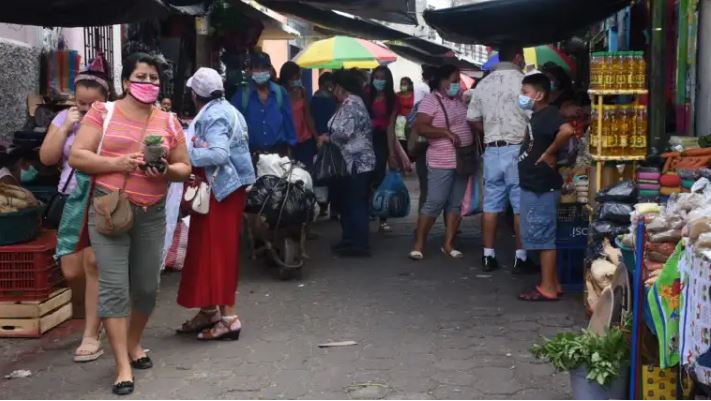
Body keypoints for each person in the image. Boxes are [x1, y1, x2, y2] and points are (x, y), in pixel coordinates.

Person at [69, 52, 191, 396]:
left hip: (151, 213)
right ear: (126, 82)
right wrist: (120, 162)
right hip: (110, 209)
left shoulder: (168, 121)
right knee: (113, 288)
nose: (148, 83)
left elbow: (186, 168)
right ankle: (122, 363)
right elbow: (78, 156)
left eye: (154, 78)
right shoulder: (102, 113)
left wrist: (166, 169)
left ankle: (134, 342)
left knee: (147, 288)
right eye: (141, 77)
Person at [39, 57, 111, 363]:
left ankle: (91, 333)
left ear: (104, 100)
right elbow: (46, 158)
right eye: (80, 102)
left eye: (90, 104)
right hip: (71, 198)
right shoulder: (64, 119)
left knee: (94, 263)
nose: (84, 108)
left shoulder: (112, 119)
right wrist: (67, 125)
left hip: (101, 195)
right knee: (71, 268)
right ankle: (94, 316)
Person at [176, 68, 256, 339]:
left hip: (222, 192)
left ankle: (229, 317)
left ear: (195, 94)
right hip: (223, 191)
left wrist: (183, 152)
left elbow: (219, 154)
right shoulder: (226, 109)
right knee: (204, 250)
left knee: (218, 253)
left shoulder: (214, 114)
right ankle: (209, 310)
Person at [467, 43, 536, 274]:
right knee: (519, 206)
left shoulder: (483, 83)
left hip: (492, 150)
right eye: (523, 57)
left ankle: (488, 256)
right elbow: (532, 115)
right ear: (517, 57)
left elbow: (472, 117)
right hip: (517, 149)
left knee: (491, 206)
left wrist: (487, 132)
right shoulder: (523, 84)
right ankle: (521, 257)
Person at [515, 74, 575, 301]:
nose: (522, 97)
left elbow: (568, 131)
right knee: (542, 236)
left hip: (541, 186)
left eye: (525, 92)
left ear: (539, 94)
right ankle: (553, 283)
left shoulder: (549, 114)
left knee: (544, 238)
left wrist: (549, 153)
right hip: (535, 184)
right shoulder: (537, 116)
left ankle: (547, 287)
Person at [409, 65, 473, 261]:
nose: (457, 85)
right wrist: (444, 133)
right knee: (435, 202)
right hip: (441, 160)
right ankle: (419, 244)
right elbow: (421, 127)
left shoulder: (460, 99)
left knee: (455, 204)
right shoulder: (430, 101)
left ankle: (448, 243)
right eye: (454, 81)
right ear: (442, 81)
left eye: (458, 81)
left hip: (462, 160)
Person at [319, 69, 375, 257]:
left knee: (355, 203)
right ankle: (350, 239)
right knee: (350, 203)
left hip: (357, 162)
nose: (331, 91)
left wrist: (328, 138)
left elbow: (345, 132)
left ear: (340, 87)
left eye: (332, 87)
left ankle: (358, 243)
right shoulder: (350, 103)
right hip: (352, 161)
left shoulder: (351, 104)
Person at [232, 52, 296, 156]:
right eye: (256, 68)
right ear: (250, 71)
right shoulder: (242, 95)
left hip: (278, 156)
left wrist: (291, 148)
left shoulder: (280, 93)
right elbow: (233, 126)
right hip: (252, 156)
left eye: (264, 68)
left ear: (270, 71)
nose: (260, 72)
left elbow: (289, 123)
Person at [367, 66, 399, 233]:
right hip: (365, 139)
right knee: (366, 177)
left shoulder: (392, 99)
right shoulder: (366, 95)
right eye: (376, 77)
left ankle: (382, 217)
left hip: (380, 141)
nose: (379, 80)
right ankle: (367, 210)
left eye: (382, 77)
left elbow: (390, 126)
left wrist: (391, 153)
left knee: (379, 177)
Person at [310, 72, 339, 219]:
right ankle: (328, 207)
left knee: (323, 174)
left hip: (326, 140)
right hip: (327, 140)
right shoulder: (329, 101)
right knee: (329, 174)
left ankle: (325, 206)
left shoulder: (315, 100)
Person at [279, 61, 318, 169]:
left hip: (305, 139)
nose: (297, 80)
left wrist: (316, 137)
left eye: (298, 77)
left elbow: (308, 116)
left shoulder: (302, 91)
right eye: (295, 77)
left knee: (306, 171)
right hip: (287, 141)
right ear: (287, 78)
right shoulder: (279, 93)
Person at [396, 77, 415, 151]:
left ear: (409, 85)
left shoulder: (414, 95)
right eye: (401, 84)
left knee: (409, 139)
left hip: (410, 120)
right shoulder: (397, 95)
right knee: (401, 141)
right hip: (399, 121)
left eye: (405, 84)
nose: (403, 86)